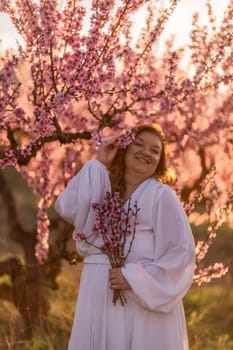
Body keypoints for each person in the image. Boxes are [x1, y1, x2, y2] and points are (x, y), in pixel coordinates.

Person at [54, 123, 196, 350]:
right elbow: (67, 207)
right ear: (125, 149)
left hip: (140, 300)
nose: (146, 153)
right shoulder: (107, 189)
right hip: (99, 292)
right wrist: (100, 163)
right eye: (138, 144)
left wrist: (134, 278)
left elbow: (181, 254)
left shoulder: (161, 195)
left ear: (160, 161)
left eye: (154, 150)